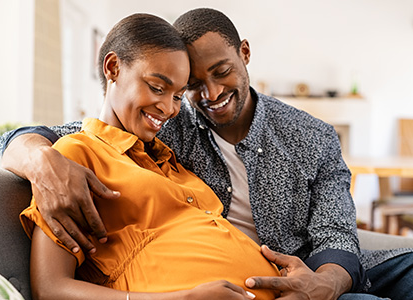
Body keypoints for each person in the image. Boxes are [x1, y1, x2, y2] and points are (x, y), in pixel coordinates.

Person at [0, 8, 413, 300]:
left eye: (221, 72)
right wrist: (41, 159)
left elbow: (336, 234)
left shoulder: (311, 136)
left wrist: (323, 284)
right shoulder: (160, 124)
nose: (209, 95)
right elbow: (68, 136)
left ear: (244, 55)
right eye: (190, 85)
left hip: (304, 269)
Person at [20, 12, 280, 300]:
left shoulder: (168, 159)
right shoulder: (73, 157)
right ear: (113, 67)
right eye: (157, 87)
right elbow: (50, 288)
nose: (169, 108)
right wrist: (184, 298)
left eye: (179, 95)